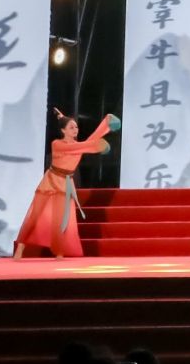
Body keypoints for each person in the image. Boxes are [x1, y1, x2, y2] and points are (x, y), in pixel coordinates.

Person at [15, 108, 117, 259]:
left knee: (60, 220)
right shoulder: (57, 144)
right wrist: (96, 146)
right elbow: (82, 146)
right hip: (50, 181)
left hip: (65, 184)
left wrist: (106, 124)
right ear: (63, 130)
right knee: (34, 216)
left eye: (76, 127)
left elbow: (89, 141)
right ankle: (21, 246)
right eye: (71, 127)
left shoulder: (78, 146)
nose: (75, 129)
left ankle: (59, 251)